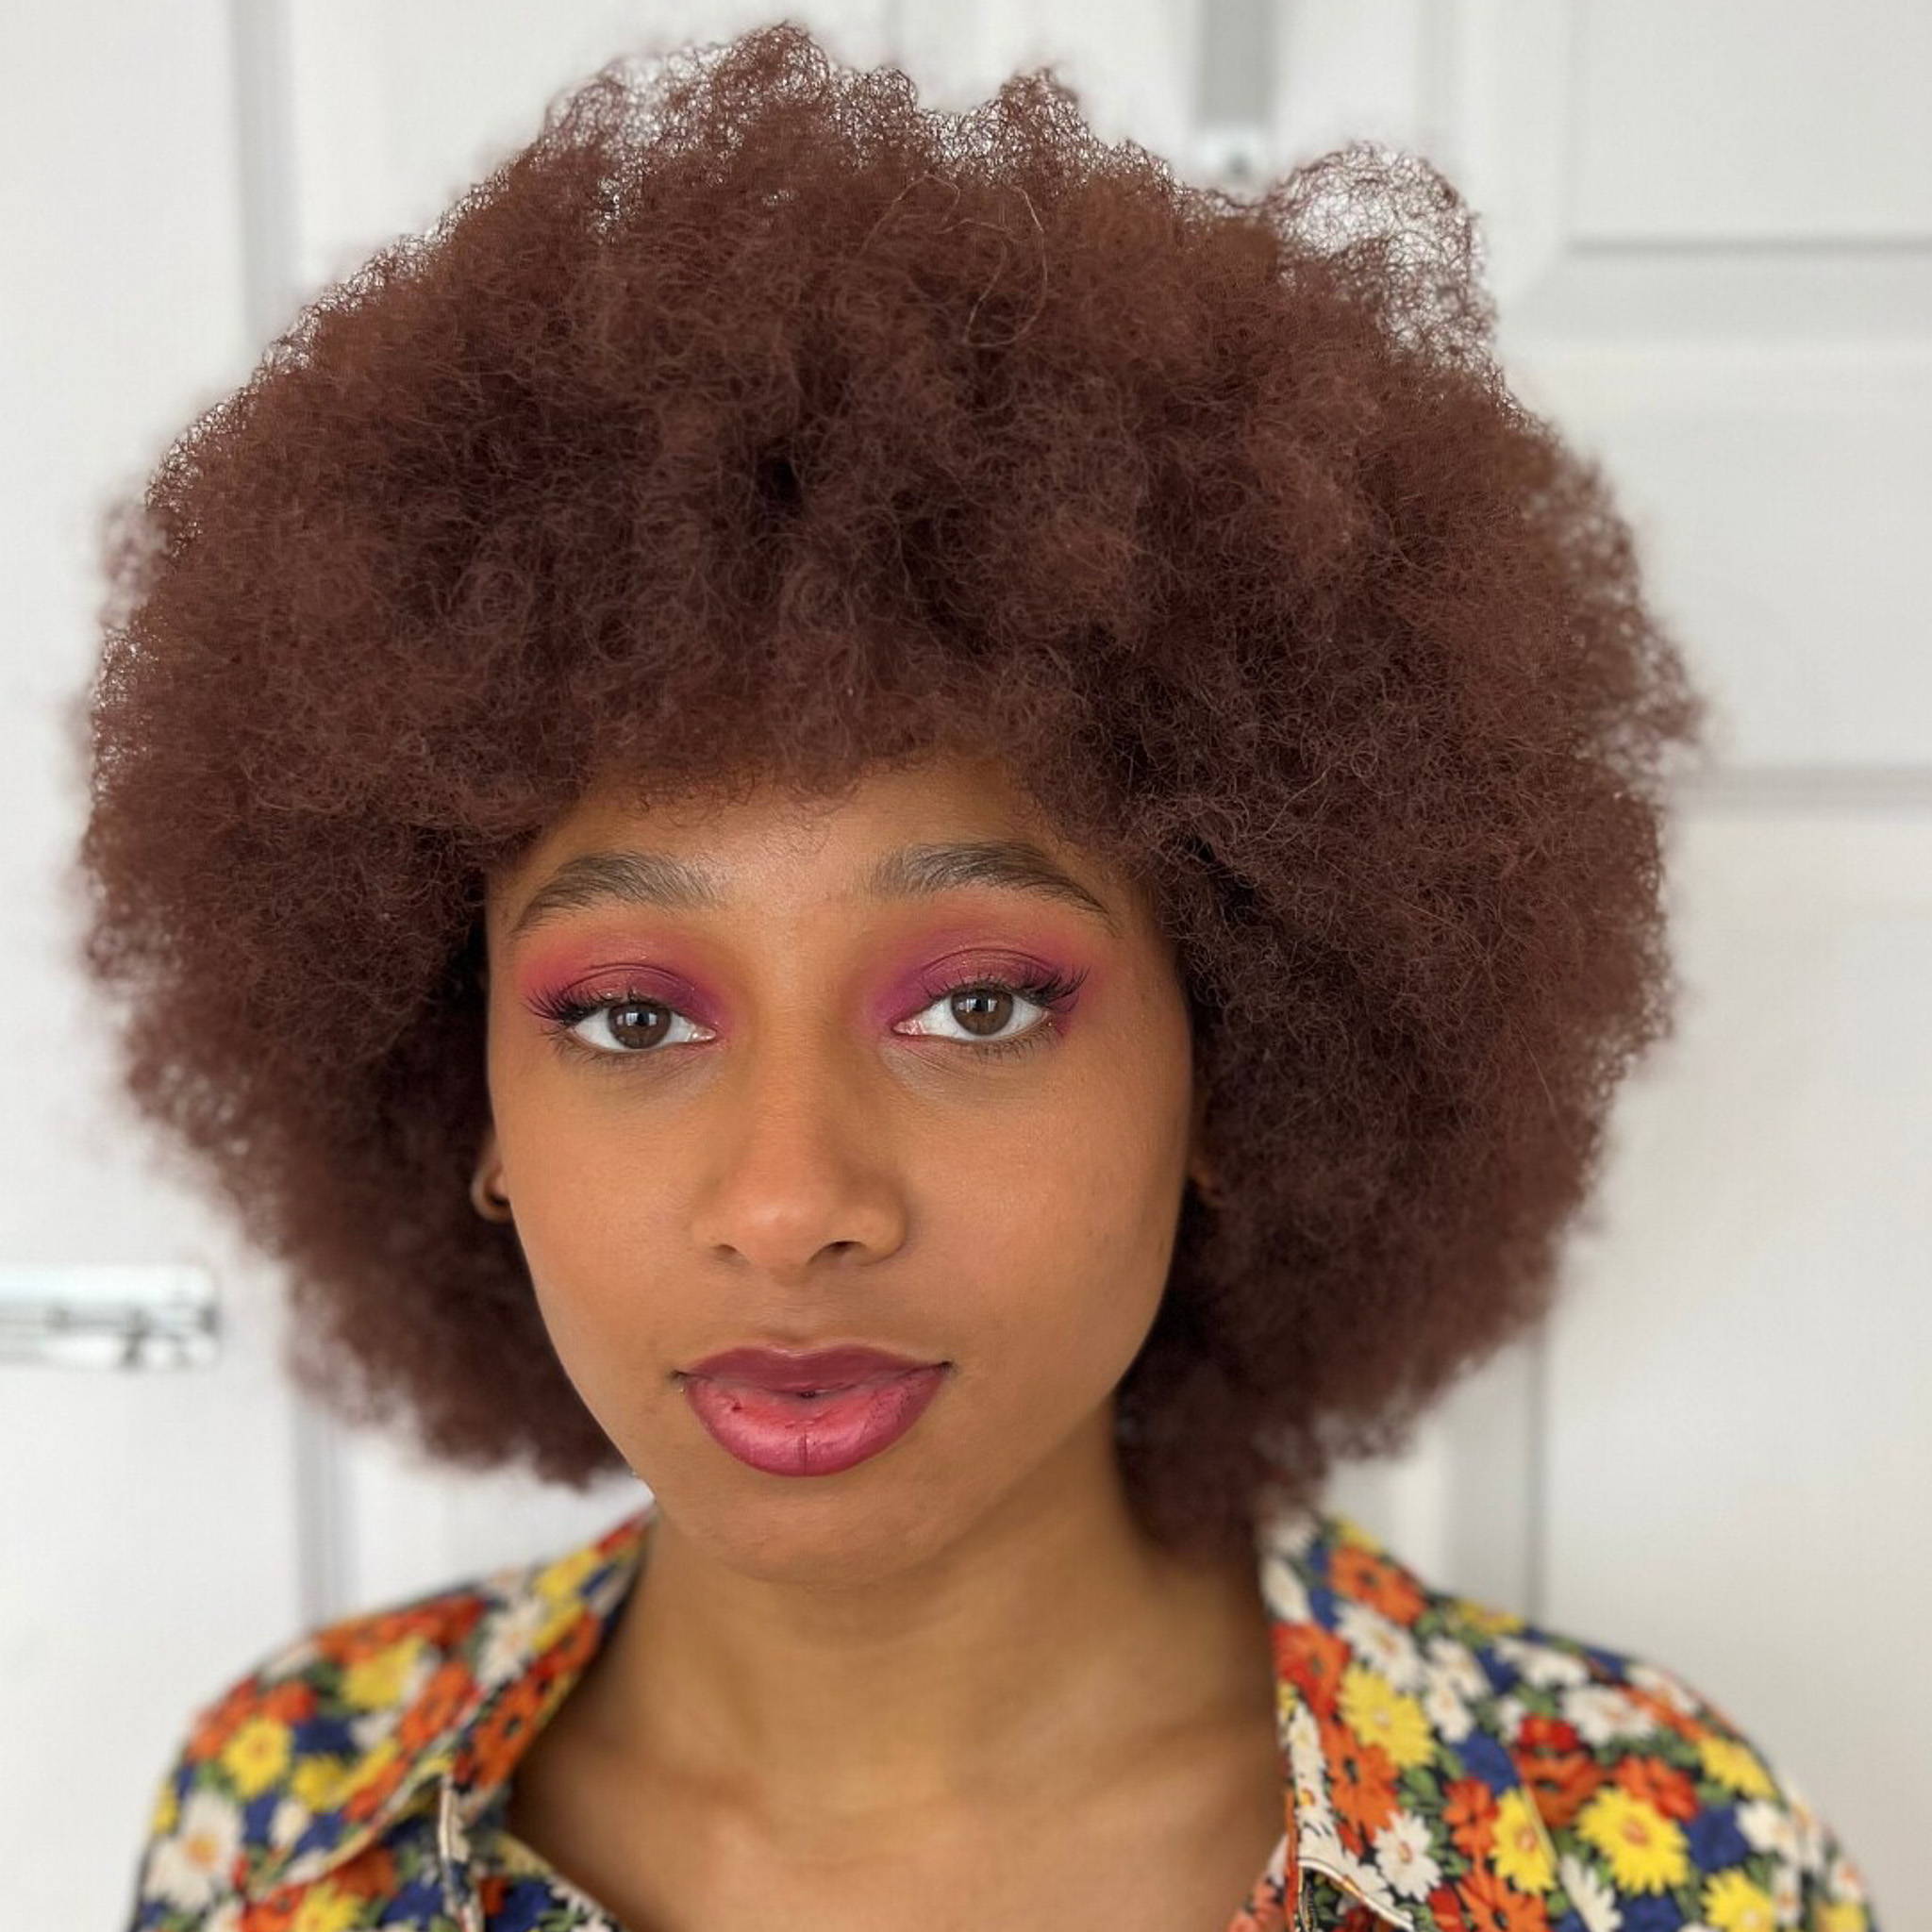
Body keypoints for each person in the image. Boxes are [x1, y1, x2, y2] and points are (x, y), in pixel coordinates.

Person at [84, 22, 1879, 1932]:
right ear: (467, 1106)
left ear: (1242, 1057)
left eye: (981, 1003)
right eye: (629, 1016)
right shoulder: (284, 1823)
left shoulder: (1636, 1860)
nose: (791, 1204)